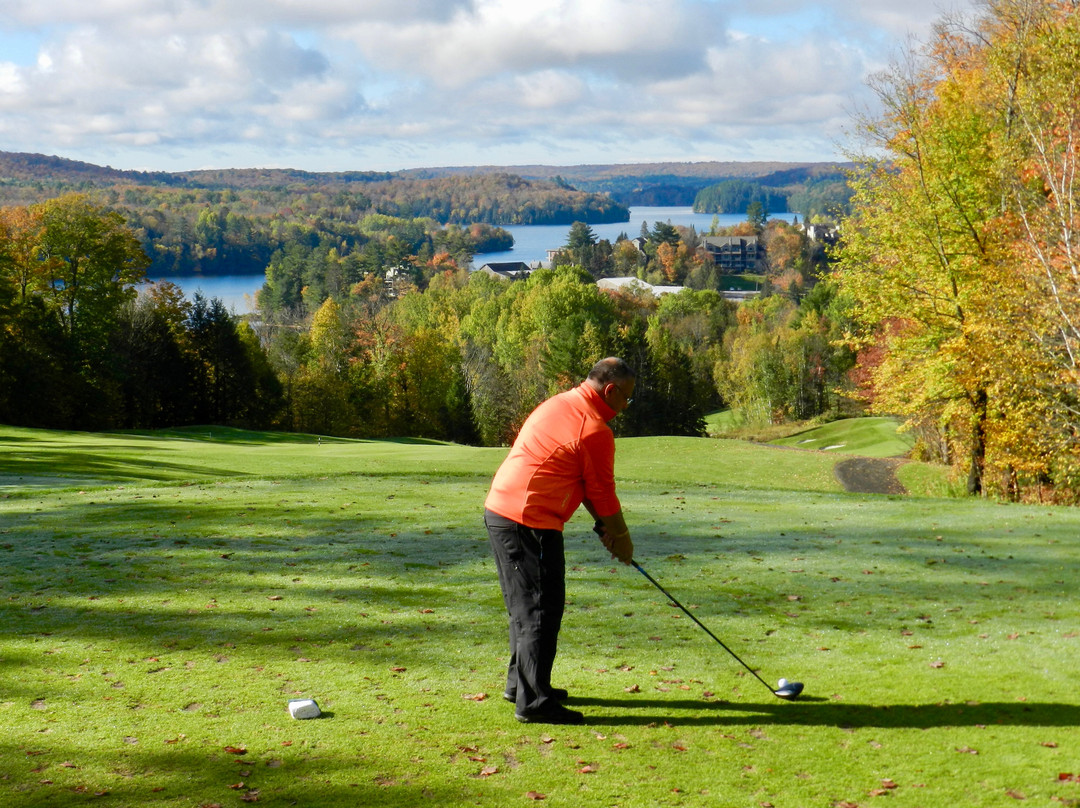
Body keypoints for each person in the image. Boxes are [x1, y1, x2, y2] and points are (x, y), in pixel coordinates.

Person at [483, 357, 636, 725]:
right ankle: (534, 703)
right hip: (527, 520)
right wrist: (622, 538)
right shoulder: (594, 429)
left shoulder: (562, 403)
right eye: (626, 397)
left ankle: (522, 686)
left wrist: (605, 528)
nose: (627, 405)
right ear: (610, 391)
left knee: (525, 607)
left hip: (504, 512)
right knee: (539, 609)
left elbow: (580, 481)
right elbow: (603, 492)